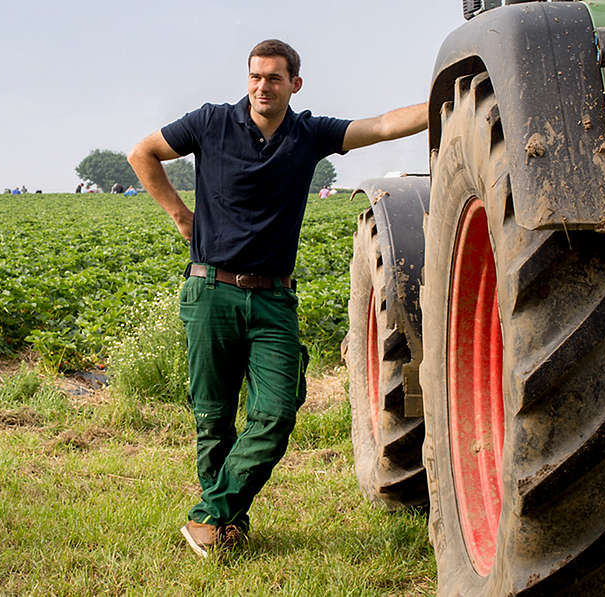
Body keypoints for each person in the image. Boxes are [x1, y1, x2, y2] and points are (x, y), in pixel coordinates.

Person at [128, 38, 427, 558]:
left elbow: (380, 125)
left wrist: (445, 94)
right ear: (247, 80)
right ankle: (228, 525)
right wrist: (181, 217)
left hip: (273, 300)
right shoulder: (210, 123)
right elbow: (143, 152)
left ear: (295, 83)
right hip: (211, 291)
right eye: (255, 77)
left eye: (273, 78)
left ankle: (209, 515)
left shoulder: (308, 133)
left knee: (278, 410)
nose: (262, 86)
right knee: (214, 417)